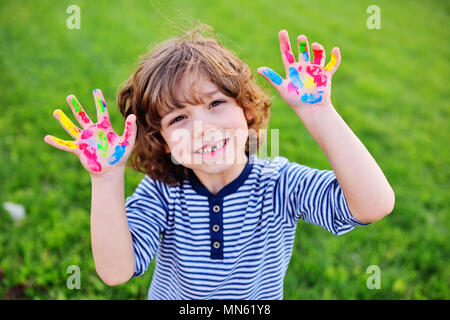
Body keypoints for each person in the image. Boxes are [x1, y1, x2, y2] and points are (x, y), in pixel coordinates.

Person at [44, 24, 395, 299]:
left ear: (245, 109)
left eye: (215, 104)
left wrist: (319, 112)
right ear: (162, 141)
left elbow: (373, 205)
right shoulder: (162, 193)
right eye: (178, 119)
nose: (203, 129)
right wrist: (106, 179)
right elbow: (116, 271)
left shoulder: (279, 183)